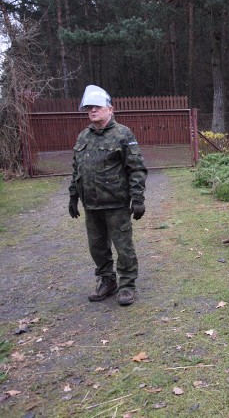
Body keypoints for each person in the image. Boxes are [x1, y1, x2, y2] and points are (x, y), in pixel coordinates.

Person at [68, 85, 147, 306]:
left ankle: (127, 285)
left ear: (109, 109)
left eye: (97, 107)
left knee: (123, 247)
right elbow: (77, 169)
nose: (92, 111)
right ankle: (107, 281)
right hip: (91, 205)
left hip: (116, 204)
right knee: (97, 247)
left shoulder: (123, 134)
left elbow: (136, 168)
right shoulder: (84, 136)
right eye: (89, 108)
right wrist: (73, 197)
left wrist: (138, 198)